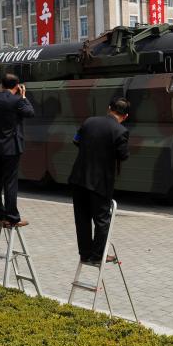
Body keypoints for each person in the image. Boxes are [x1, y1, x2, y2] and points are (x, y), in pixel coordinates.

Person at [68, 97, 130, 263]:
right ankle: (98, 256)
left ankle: (85, 254)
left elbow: (76, 140)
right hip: (99, 182)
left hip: (78, 178)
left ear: (109, 108)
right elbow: (123, 155)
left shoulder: (89, 121)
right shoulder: (121, 131)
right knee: (102, 220)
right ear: (126, 116)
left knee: (82, 218)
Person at [0, 73, 34, 227]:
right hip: (11, 148)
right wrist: (24, 96)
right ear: (17, 86)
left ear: (2, 85)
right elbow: (30, 113)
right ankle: (12, 217)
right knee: (10, 183)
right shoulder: (18, 100)